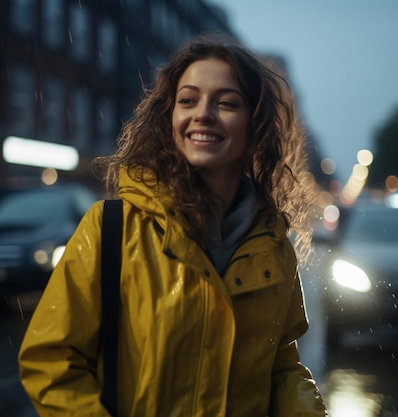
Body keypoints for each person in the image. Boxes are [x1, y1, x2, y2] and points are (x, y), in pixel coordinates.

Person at [19, 33, 327, 417]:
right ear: (170, 118)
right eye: (188, 99)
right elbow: (50, 361)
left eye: (227, 102)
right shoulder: (109, 229)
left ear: (254, 124)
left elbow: (281, 367)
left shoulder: (273, 245)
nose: (203, 113)